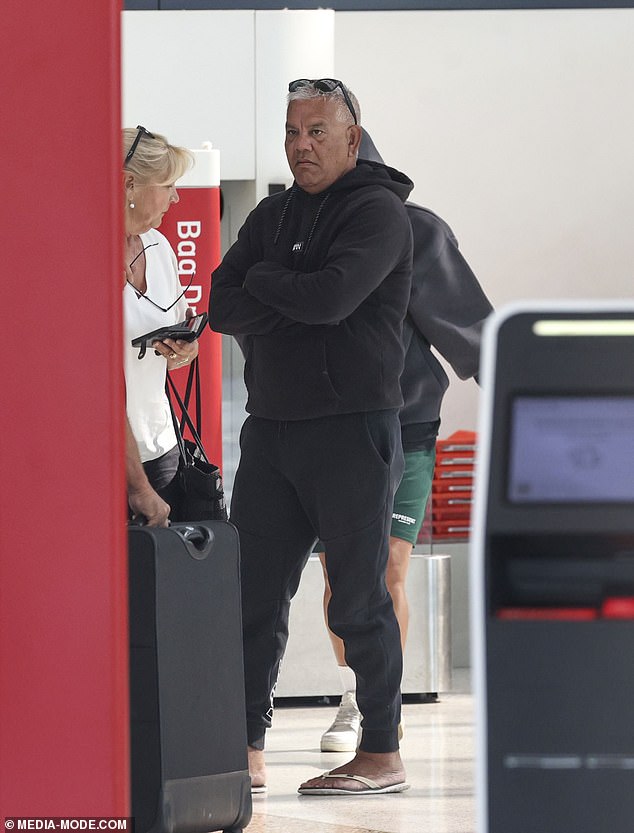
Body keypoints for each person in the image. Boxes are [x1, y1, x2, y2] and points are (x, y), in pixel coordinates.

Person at [209, 79, 414, 795]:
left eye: (317, 131)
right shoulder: (270, 215)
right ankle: (244, 744)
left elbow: (331, 300)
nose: (301, 144)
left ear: (351, 138)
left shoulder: (381, 215)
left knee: (357, 598)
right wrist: (283, 288)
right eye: (293, 132)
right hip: (271, 432)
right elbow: (219, 302)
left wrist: (267, 285)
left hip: (352, 429)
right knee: (250, 595)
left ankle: (381, 752)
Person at [317, 128, 494, 753]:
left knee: (389, 567)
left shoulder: (416, 229)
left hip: (406, 424)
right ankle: (354, 692)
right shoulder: (296, 230)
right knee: (341, 580)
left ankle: (373, 709)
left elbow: (469, 325)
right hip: (325, 428)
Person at [122, 125, 198, 526]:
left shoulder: (160, 246)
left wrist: (185, 348)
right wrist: (136, 487)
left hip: (161, 448)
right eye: (167, 184)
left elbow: (180, 327)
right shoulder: (77, 260)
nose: (176, 196)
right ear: (129, 185)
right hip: (107, 460)